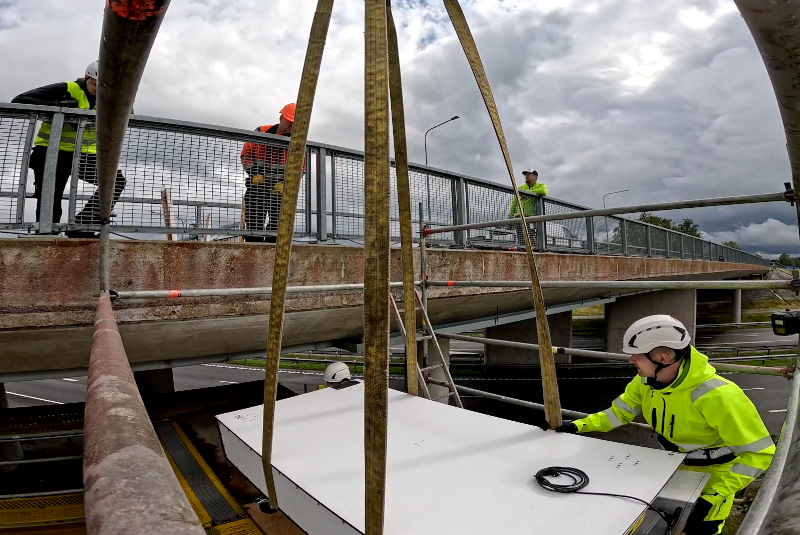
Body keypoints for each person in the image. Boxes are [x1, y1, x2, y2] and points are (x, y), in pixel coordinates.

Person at [554, 315, 774, 535]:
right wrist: (577, 426)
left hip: (712, 480)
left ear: (663, 358)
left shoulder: (717, 396)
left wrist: (712, 498)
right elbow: (619, 413)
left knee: (699, 529)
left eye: (637, 356)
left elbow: (760, 454)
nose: (631, 360)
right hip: (666, 468)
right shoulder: (646, 382)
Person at [12, 61, 127, 234]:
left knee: (116, 181)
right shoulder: (67, 89)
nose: (98, 89)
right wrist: (60, 107)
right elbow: (18, 100)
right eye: (95, 84)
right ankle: (47, 233)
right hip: (51, 152)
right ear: (87, 77)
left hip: (83, 155)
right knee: (52, 195)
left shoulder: (109, 98)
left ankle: (81, 226)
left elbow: (128, 113)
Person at [240, 103, 302, 243]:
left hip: (280, 191)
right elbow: (246, 155)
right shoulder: (261, 131)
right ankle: (254, 251)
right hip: (258, 186)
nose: (292, 126)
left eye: (295, 123)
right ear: (281, 118)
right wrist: (254, 173)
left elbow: (300, 168)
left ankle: (271, 254)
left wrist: (284, 184)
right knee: (254, 226)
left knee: (278, 228)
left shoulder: (297, 141)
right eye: (290, 122)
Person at [508, 168, 547, 247]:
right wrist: (510, 215)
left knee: (530, 235)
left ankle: (533, 249)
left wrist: (528, 193)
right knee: (521, 235)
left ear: (535, 177)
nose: (526, 176)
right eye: (526, 175)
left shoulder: (541, 185)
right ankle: (522, 248)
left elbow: (544, 191)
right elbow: (514, 201)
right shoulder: (521, 187)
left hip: (531, 216)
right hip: (519, 215)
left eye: (529, 174)